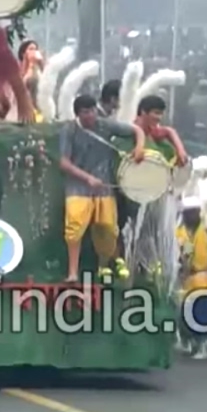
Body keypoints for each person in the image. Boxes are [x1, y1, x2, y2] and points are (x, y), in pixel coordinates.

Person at [59, 95, 146, 282]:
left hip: (104, 186)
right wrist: (87, 178)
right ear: (78, 114)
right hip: (77, 187)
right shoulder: (69, 130)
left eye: (92, 111)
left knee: (108, 228)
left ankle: (103, 267)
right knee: (74, 228)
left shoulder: (105, 125)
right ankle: (73, 272)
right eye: (85, 112)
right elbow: (64, 163)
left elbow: (137, 130)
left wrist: (139, 148)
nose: (90, 115)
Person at [175, 197, 207, 359]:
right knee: (187, 316)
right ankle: (192, 343)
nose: (190, 216)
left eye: (193, 213)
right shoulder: (184, 233)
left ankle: (203, 347)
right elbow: (186, 253)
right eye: (187, 213)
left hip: (205, 281)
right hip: (189, 282)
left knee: (202, 316)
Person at [135, 94, 189, 166]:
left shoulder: (153, 133)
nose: (159, 118)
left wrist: (181, 151)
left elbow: (168, 131)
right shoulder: (128, 132)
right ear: (143, 112)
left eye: (161, 114)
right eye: (156, 113)